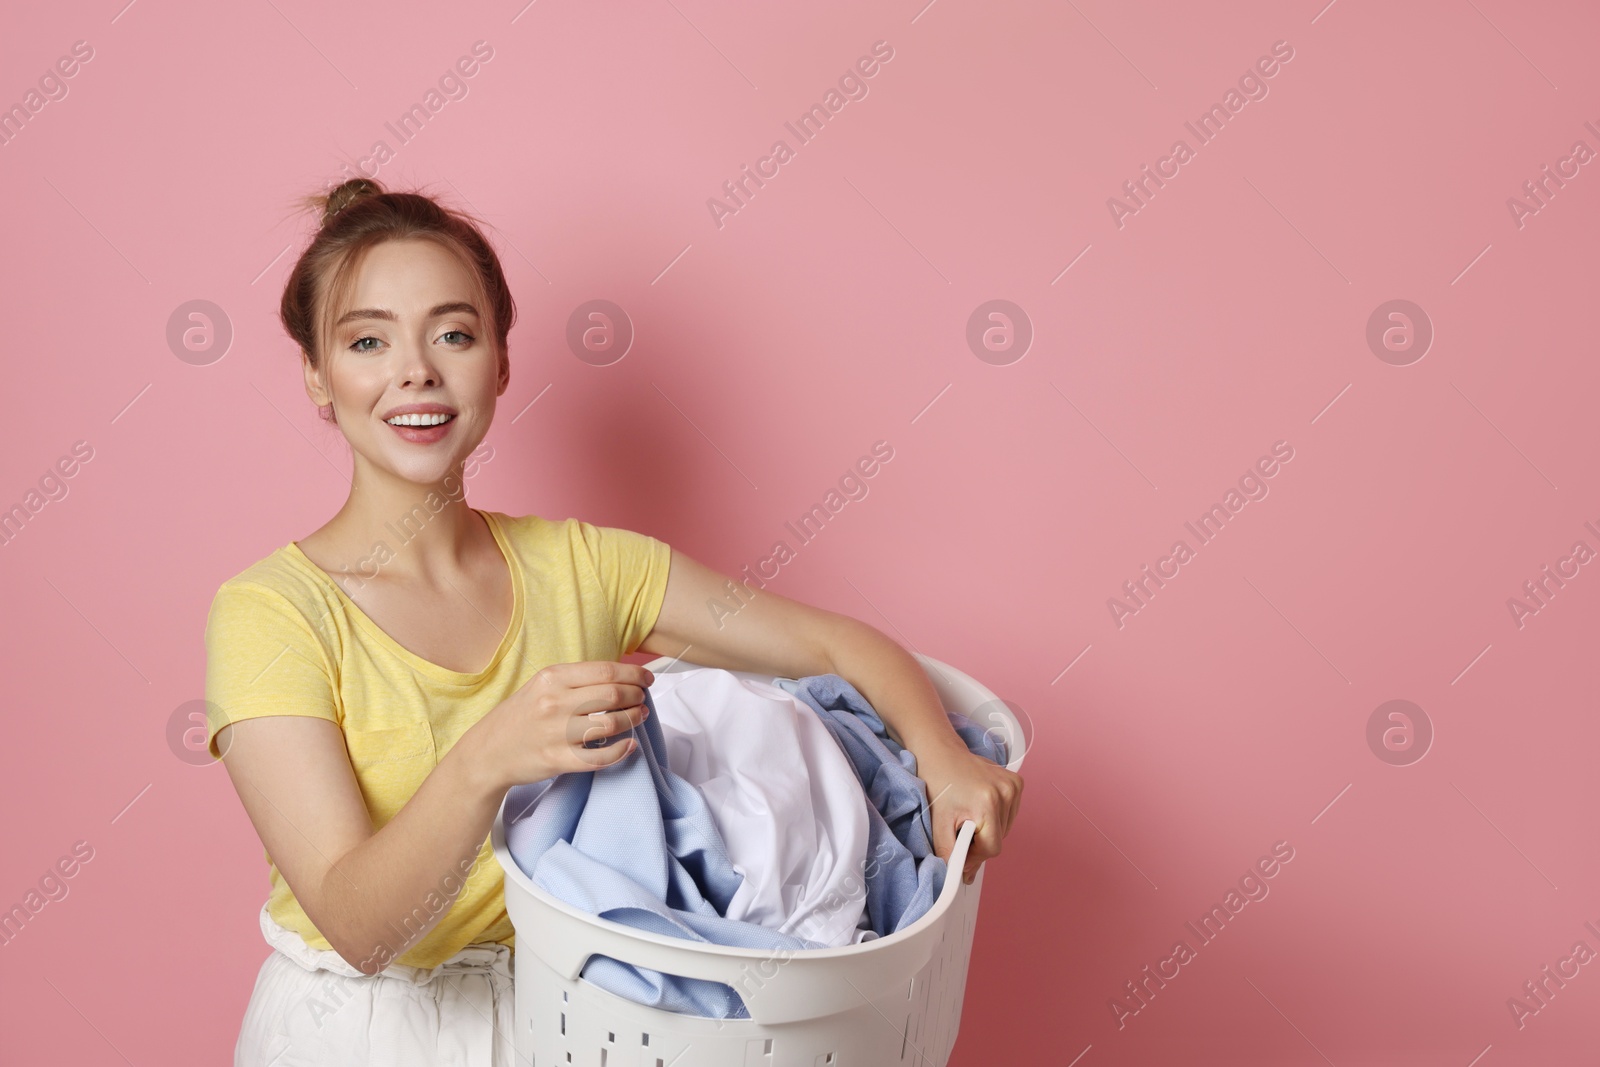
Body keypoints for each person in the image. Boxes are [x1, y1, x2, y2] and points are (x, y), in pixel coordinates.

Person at [205, 176, 1025, 1066]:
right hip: (356, 1032)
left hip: (564, 1020)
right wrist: (491, 756)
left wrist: (944, 760)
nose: (416, 371)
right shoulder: (271, 613)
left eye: (454, 333)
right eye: (368, 340)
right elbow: (362, 927)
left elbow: (835, 646)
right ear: (318, 379)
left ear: (501, 363)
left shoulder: (589, 568)